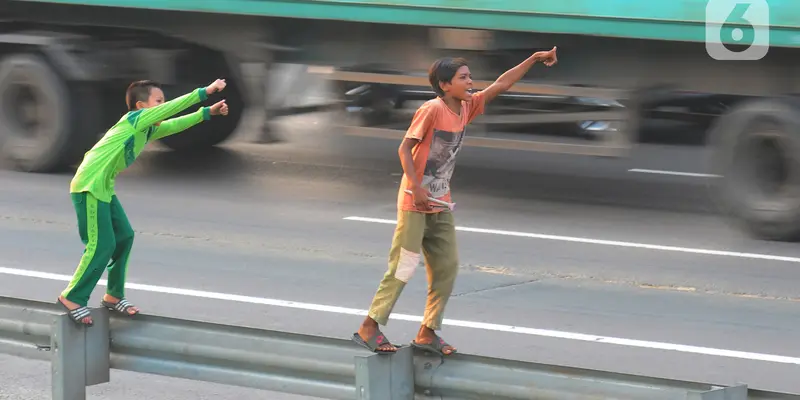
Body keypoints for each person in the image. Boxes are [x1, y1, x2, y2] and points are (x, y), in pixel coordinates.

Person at [352, 47, 558, 355]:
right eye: (463, 78)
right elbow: (404, 149)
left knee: (446, 267)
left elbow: (501, 84)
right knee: (403, 267)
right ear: (445, 85)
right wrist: (415, 187)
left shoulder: (467, 107)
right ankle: (369, 327)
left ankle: (427, 332)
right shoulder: (431, 109)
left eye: (470, 76)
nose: (471, 81)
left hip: (441, 202)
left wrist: (532, 59)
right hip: (415, 202)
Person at [56, 78, 230, 326]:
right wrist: (204, 92)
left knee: (124, 236)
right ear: (140, 106)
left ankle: (114, 296)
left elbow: (175, 124)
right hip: (89, 186)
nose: (163, 105)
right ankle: (72, 297)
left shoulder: (147, 128)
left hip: (103, 187)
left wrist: (206, 113)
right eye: (158, 102)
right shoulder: (134, 120)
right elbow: (171, 111)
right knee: (101, 245)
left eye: (163, 101)